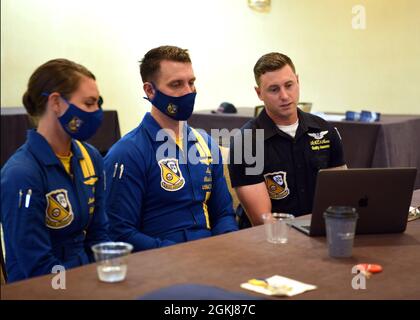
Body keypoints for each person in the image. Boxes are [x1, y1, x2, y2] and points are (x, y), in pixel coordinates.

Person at [104, 45, 238, 252]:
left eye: (191, 82)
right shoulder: (127, 152)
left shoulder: (206, 144)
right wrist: (178, 254)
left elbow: (223, 214)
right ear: (150, 90)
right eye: (176, 84)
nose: (188, 91)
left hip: (210, 254)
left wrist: (227, 246)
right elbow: (120, 232)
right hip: (159, 262)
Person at [1, 59, 109, 282]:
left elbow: (99, 236)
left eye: (98, 103)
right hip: (40, 289)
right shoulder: (21, 174)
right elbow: (36, 265)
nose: (97, 112)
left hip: (85, 279)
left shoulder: (91, 157)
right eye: (89, 104)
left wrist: (104, 275)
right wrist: (87, 284)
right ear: (57, 103)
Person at [228, 52, 347, 227]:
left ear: (298, 81)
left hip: (321, 232)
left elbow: (342, 195)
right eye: (274, 89)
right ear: (259, 93)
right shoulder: (245, 144)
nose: (284, 96)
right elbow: (263, 221)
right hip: (271, 240)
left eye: (289, 85)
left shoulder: (324, 131)